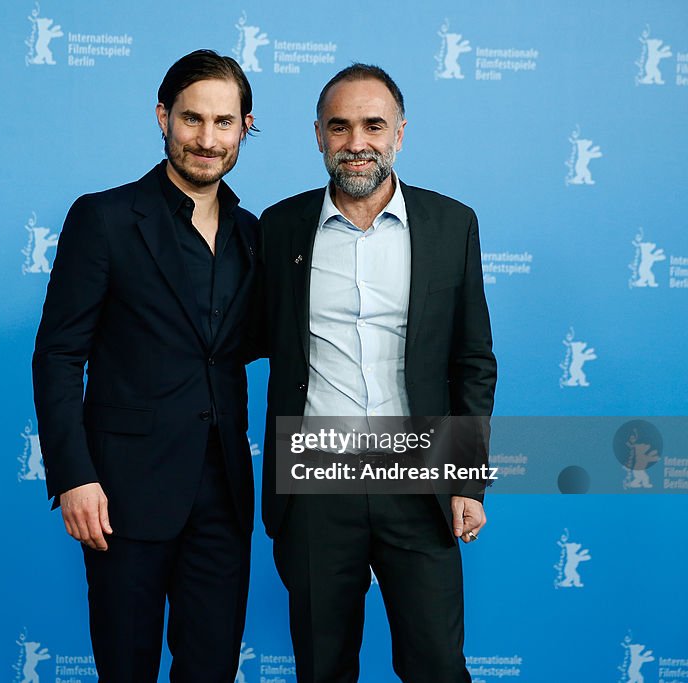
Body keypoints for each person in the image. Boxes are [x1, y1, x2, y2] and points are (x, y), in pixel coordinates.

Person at [255, 64, 497, 682]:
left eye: (373, 125)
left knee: (437, 666)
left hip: (419, 476)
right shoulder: (279, 228)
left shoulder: (451, 224)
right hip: (314, 477)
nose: (356, 141)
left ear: (400, 133)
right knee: (322, 666)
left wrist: (467, 479)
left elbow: (473, 361)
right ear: (317, 135)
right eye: (340, 127)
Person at [32, 49, 259, 683]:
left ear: (245, 126)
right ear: (163, 118)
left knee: (210, 668)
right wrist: (73, 476)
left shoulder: (253, 233)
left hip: (224, 494)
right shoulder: (103, 218)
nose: (206, 139)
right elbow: (57, 356)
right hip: (122, 493)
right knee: (125, 668)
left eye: (223, 122)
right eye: (192, 119)